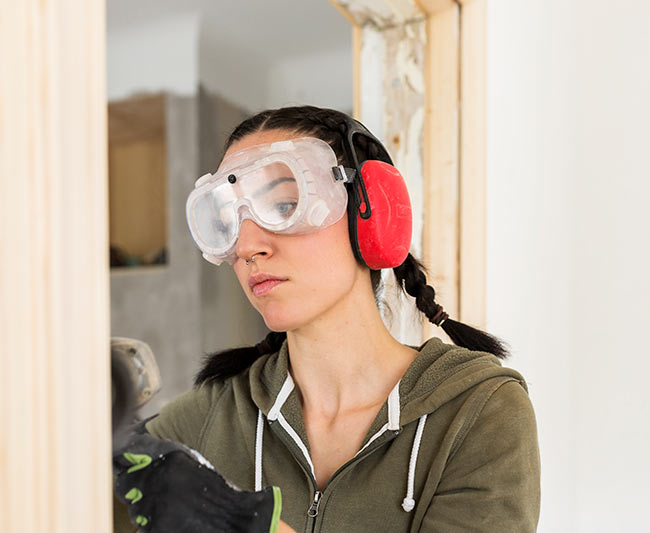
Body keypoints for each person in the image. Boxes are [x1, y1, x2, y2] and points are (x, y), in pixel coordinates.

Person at [114, 106, 540, 532]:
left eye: (282, 204)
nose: (247, 246)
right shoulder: (213, 414)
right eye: (229, 221)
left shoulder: (477, 412)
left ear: (367, 214)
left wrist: (244, 522)